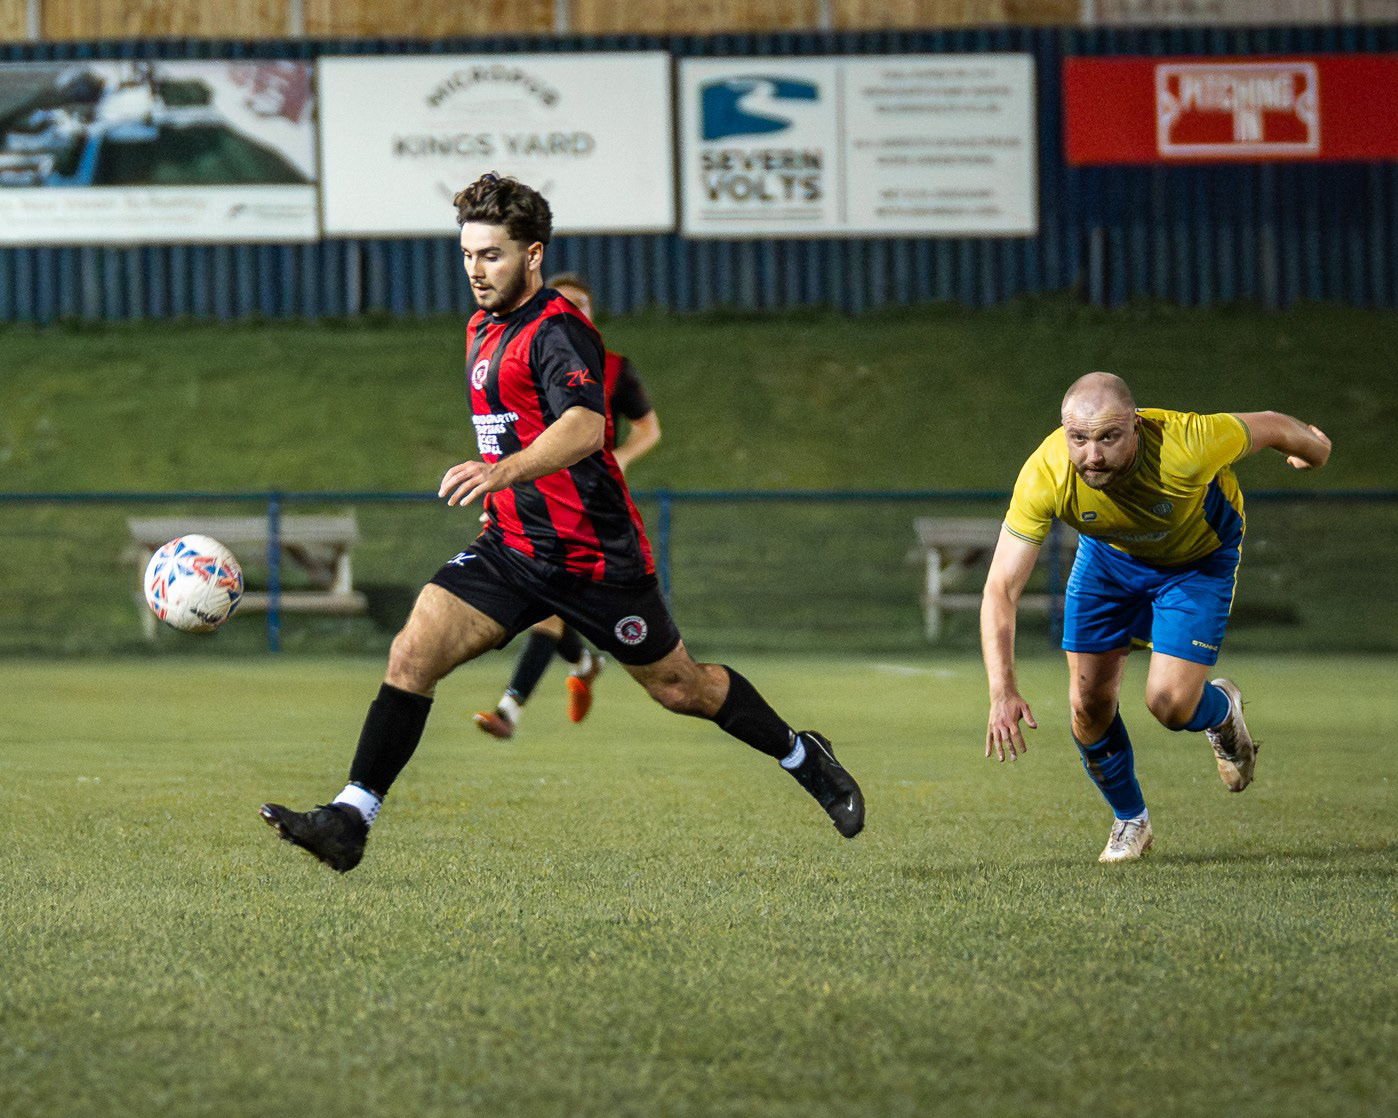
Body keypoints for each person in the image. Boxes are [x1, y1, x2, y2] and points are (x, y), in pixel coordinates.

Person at [260, 173, 863, 872]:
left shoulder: (559, 330)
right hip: (512, 548)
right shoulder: (481, 327)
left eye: (492, 255)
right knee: (412, 653)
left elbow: (583, 425)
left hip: (594, 558)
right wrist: (501, 487)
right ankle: (349, 818)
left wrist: (502, 472)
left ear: (533, 254)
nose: (476, 270)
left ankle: (802, 756)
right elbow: (512, 425)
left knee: (680, 689)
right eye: (467, 254)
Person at [980, 372, 1331, 863]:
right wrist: (1003, 690)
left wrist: (1314, 452)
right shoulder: (1046, 472)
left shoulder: (1188, 444)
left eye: (1109, 437)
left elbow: (1272, 425)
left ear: (1136, 426)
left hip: (1197, 562)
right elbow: (1001, 588)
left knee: (1170, 706)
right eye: (1078, 438)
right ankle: (1131, 820)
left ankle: (1221, 713)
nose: (1092, 455)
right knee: (1087, 706)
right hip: (1108, 561)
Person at [472, 272, 661, 741]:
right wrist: (501, 490)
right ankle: (566, 673)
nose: (572, 311)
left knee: (551, 606)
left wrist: (621, 457)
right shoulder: (521, 358)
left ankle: (523, 701)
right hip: (533, 498)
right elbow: (506, 433)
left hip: (590, 505)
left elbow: (648, 428)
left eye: (581, 304)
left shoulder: (613, 368)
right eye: (563, 302)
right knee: (548, 605)